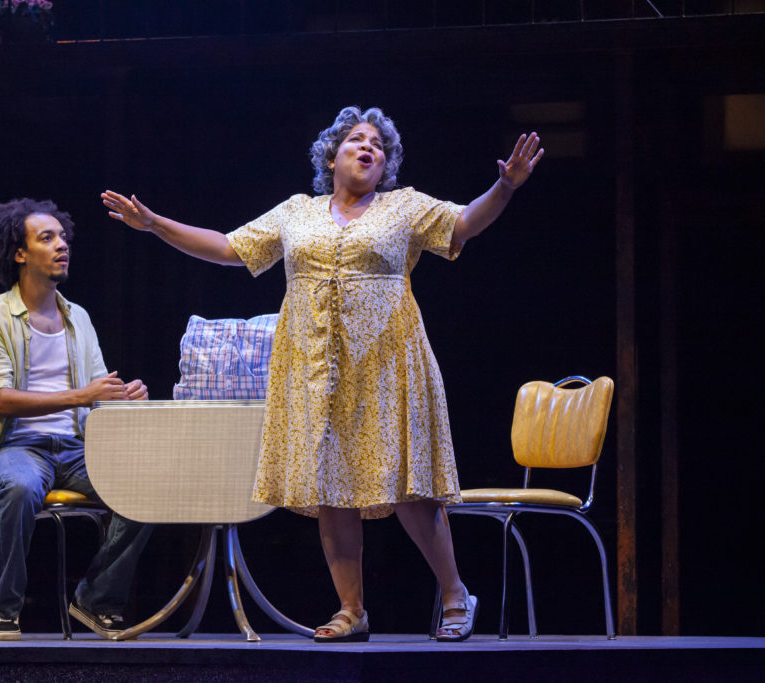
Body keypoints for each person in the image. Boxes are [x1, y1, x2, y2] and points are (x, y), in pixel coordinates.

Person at [101, 107, 543, 642]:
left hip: (388, 363)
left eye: (379, 145)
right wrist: (155, 225)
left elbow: (465, 223)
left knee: (408, 485)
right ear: (331, 156)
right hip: (315, 369)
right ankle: (352, 608)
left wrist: (505, 186)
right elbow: (227, 248)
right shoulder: (296, 213)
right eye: (357, 140)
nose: (369, 148)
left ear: (385, 165)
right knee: (332, 488)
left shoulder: (404, 207)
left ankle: (454, 594)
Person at [0, 198, 153, 640]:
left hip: (76, 447)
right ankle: (4, 608)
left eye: (62, 237)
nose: (61, 245)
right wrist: (82, 395)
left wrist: (122, 397)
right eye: (46, 238)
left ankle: (95, 598)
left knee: (146, 488)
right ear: (19, 253)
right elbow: (0, 400)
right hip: (17, 447)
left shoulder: (78, 318)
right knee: (22, 486)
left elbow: (96, 395)